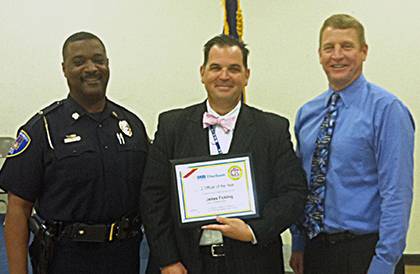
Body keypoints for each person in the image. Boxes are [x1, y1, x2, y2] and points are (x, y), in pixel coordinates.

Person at [140, 34, 307, 274]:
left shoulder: (272, 129)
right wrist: (167, 260)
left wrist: (253, 231)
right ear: (202, 72)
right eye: (216, 67)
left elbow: (293, 193)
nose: (224, 76)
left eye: (234, 69)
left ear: (246, 75)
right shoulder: (172, 125)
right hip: (184, 264)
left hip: (253, 262)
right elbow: (153, 196)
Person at [0, 31, 149, 274]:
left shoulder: (132, 125)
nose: (91, 68)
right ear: (64, 69)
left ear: (108, 65)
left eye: (98, 60)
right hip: (66, 258)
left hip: (125, 255)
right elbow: (18, 210)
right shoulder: (43, 129)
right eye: (79, 62)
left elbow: (150, 197)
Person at [289, 14, 414, 274]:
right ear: (319, 54)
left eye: (346, 46)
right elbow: (303, 185)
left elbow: (396, 194)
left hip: (366, 253)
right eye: (329, 48)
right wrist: (298, 243)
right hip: (316, 251)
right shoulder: (307, 114)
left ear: (364, 51)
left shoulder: (388, 111)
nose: (337, 56)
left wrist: (384, 262)